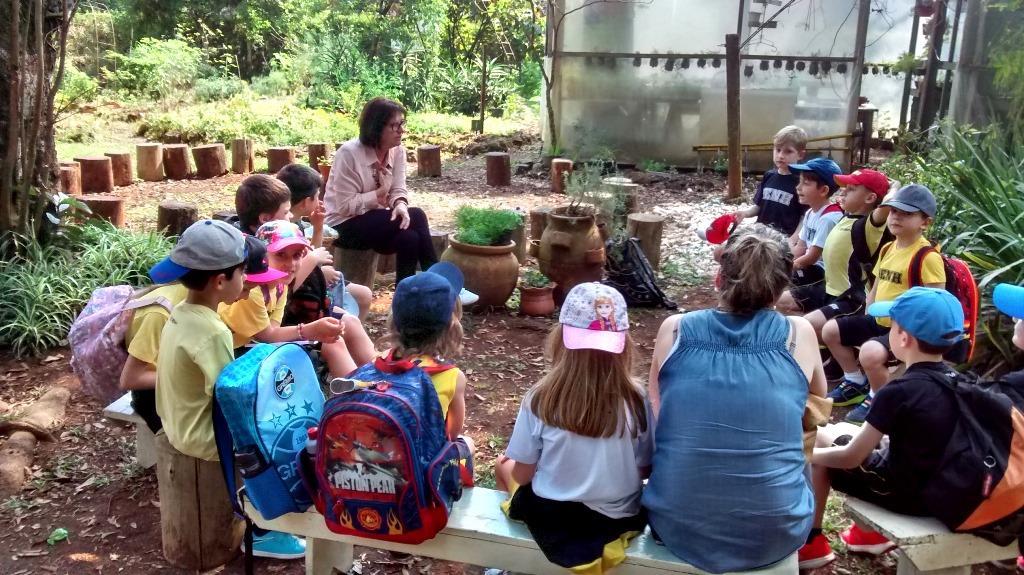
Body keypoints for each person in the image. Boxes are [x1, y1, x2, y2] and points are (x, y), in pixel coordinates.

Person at [643, 224, 825, 574]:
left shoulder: (676, 330)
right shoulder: (799, 334)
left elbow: (661, 415)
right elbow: (818, 403)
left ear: (719, 275)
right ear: (784, 283)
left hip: (677, 522)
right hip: (776, 530)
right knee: (801, 433)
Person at [799, 287, 964, 569]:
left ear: (903, 337)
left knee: (822, 446)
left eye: (891, 324)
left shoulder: (897, 390)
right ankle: (866, 534)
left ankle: (811, 543)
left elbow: (850, 458)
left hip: (908, 497)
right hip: (948, 489)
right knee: (841, 435)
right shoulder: (961, 381)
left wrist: (806, 456)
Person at [495, 283, 651, 575]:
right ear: (623, 344)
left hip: (553, 517)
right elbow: (644, 468)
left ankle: (511, 565)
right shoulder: (637, 398)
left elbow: (522, 474)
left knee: (502, 465)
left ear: (561, 339)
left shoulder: (541, 397)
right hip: (617, 518)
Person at [121, 236, 287, 433]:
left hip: (184, 391)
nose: (247, 294)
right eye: (247, 284)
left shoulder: (203, 304)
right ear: (220, 281)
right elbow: (130, 379)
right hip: (157, 398)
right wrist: (187, 379)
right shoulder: (161, 314)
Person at [822, 184, 945, 424]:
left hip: (904, 330)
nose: (896, 216)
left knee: (870, 352)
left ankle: (879, 398)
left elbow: (934, 303)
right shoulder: (889, 247)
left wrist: (909, 332)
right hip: (878, 318)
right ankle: (855, 381)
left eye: (907, 213)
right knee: (830, 330)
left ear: (925, 222)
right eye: (894, 210)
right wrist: (868, 310)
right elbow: (877, 285)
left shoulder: (927, 257)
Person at [220, 220, 373, 378]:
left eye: (297, 255)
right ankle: (359, 398)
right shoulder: (252, 290)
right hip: (235, 353)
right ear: (263, 256)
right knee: (333, 343)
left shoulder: (281, 284)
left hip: (257, 343)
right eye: (280, 255)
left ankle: (381, 380)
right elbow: (267, 336)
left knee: (348, 325)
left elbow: (273, 329)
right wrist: (310, 331)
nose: (291, 264)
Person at [324, 97, 438, 282]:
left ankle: (404, 299)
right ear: (376, 127)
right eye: (394, 125)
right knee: (417, 215)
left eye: (402, 123)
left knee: (409, 238)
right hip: (343, 225)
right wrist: (378, 194)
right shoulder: (349, 154)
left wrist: (400, 204)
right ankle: (438, 278)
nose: (401, 131)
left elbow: (399, 188)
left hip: (377, 221)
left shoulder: (397, 150)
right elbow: (344, 207)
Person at [378, 262, 472, 442]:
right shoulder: (453, 377)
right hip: (421, 467)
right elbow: (451, 434)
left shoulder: (379, 363)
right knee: (468, 443)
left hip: (378, 462)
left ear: (394, 322)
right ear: (450, 327)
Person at [275, 164, 372, 320]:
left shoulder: (297, 221)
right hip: (301, 296)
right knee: (352, 314)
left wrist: (318, 228)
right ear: (306, 202)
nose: (320, 200)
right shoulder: (284, 229)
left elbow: (307, 255)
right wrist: (319, 273)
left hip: (310, 281)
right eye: (318, 195)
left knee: (364, 294)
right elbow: (294, 276)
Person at [776, 157, 843, 310]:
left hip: (824, 273)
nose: (798, 187)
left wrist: (783, 268)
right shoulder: (810, 213)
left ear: (824, 190)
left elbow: (811, 257)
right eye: (799, 182)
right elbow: (800, 247)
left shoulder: (829, 218)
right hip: (811, 267)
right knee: (781, 272)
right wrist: (781, 261)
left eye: (805, 183)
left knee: (784, 278)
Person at [733, 125, 808, 243]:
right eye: (778, 150)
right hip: (760, 234)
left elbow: (805, 217)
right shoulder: (769, 175)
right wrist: (744, 213)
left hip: (782, 240)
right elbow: (759, 206)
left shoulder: (803, 182)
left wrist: (794, 239)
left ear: (801, 154)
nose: (781, 155)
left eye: (788, 151)